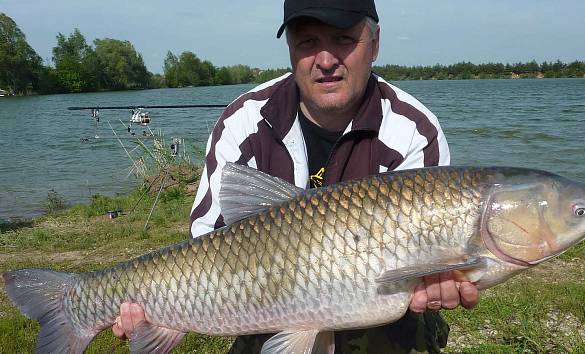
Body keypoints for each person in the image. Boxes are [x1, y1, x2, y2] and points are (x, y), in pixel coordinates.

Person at [113, 0, 479, 352]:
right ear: (290, 48)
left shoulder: (413, 130)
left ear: (375, 44)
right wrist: (158, 309)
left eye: (343, 40)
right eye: (307, 42)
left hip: (383, 317)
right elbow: (207, 242)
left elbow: (431, 267)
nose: (325, 61)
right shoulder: (244, 122)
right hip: (264, 303)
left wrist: (442, 280)